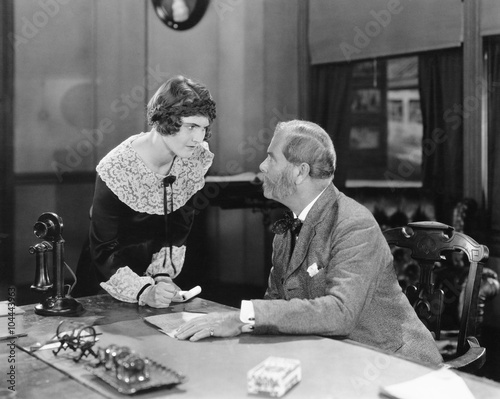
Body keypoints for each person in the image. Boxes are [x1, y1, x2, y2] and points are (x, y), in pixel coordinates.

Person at [175, 119, 443, 366]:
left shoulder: (354, 224)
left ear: (300, 172)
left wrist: (241, 317)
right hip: (332, 359)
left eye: (271, 158)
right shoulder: (287, 228)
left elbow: (340, 312)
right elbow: (277, 304)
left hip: (395, 366)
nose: (262, 166)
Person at [72, 75, 216, 308]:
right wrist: (143, 291)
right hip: (106, 278)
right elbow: (103, 250)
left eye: (203, 128)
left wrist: (162, 275)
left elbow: (179, 227)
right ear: (166, 119)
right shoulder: (116, 167)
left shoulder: (193, 158)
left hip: (156, 281)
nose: (198, 139)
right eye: (191, 126)